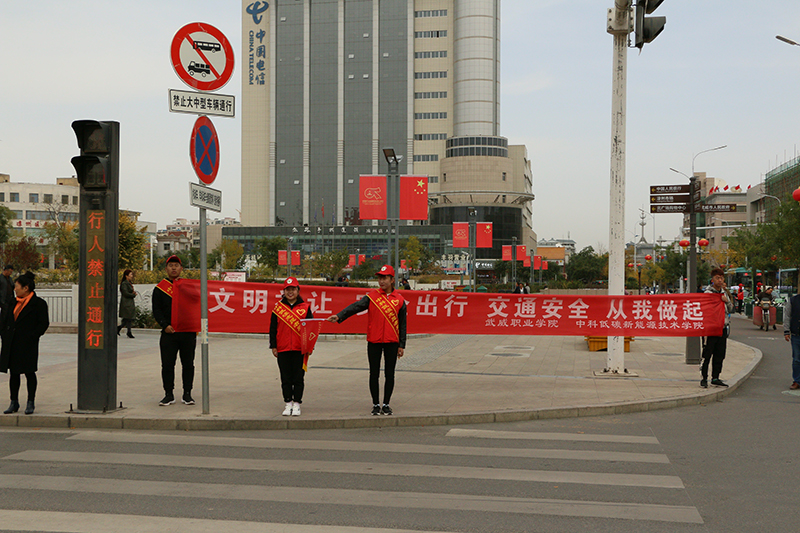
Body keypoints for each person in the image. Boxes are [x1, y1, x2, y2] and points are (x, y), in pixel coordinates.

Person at [328, 264, 407, 416]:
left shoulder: (399, 300)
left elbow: (403, 324)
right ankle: (376, 404)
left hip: (392, 342)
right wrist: (339, 316)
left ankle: (386, 404)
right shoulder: (372, 297)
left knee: (390, 374)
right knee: (374, 374)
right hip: (374, 341)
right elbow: (355, 307)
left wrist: (401, 345)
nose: (381, 281)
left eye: (385, 278)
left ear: (392, 280)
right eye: (380, 278)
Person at [0, 272, 49, 415]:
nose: (15, 289)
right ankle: (13, 402)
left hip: (28, 344)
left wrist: (32, 336)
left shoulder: (38, 304)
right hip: (12, 343)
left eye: (17, 286)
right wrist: (4, 334)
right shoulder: (12, 302)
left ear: (26, 288)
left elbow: (43, 324)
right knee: (14, 374)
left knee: (29, 372)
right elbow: (4, 320)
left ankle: (30, 402)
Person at [152, 255, 197, 406]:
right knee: (167, 365)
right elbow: (157, 310)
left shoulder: (188, 287)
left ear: (181, 268)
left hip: (187, 332)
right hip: (169, 333)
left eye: (176, 265)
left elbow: (196, 304)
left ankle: (187, 394)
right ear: (166, 269)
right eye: (170, 265)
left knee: (188, 364)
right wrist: (164, 325)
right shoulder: (160, 289)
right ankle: (168, 394)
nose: (173, 268)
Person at [269, 277, 314, 416]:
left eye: (293, 289)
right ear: (284, 291)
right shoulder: (278, 308)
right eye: (287, 289)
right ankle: (288, 402)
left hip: (300, 349)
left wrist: (310, 347)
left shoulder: (305, 308)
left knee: (298, 377)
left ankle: (297, 403)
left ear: (298, 290)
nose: (290, 292)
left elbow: (311, 329)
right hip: (283, 348)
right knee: (285, 378)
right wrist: (273, 346)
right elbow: (273, 328)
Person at [700, 268, 734, 388]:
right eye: (717, 278)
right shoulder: (708, 294)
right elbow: (704, 309)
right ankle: (704, 378)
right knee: (707, 354)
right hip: (710, 329)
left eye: (721, 278)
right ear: (712, 279)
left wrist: (726, 301)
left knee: (720, 354)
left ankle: (715, 377)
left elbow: (731, 308)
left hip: (722, 328)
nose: (720, 280)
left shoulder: (724, 293)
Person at [783, 292, 800, 390]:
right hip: (796, 334)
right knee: (797, 359)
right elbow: (787, 316)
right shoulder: (793, 300)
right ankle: (797, 380)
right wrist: (786, 331)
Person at [118, 269, 137, 339]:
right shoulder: (124, 284)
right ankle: (124, 330)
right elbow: (125, 293)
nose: (132, 276)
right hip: (126, 303)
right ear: (126, 276)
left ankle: (125, 330)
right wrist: (133, 295)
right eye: (130, 274)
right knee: (128, 318)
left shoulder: (129, 283)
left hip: (129, 302)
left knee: (128, 318)